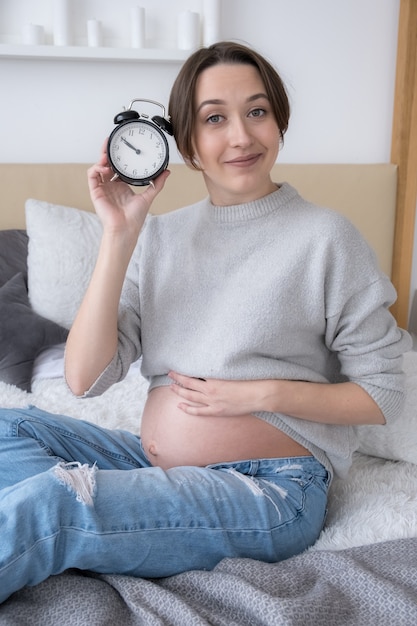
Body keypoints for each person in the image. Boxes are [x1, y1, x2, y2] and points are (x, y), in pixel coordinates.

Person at [0, 41, 411, 603]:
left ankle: (72, 522)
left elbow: (383, 393)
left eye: (257, 111)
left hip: (270, 490)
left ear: (279, 121)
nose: (241, 136)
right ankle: (108, 522)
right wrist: (121, 234)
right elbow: (83, 380)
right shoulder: (162, 236)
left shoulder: (326, 238)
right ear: (186, 143)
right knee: (6, 427)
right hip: (149, 462)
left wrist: (260, 394)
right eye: (214, 118)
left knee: (52, 504)